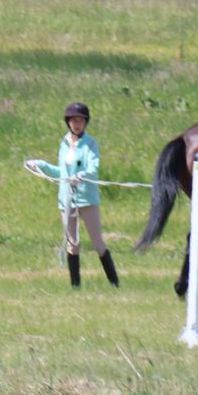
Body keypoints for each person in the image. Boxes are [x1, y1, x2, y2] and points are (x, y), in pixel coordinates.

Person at [31, 101, 119, 288]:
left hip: (87, 200)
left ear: (85, 123)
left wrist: (81, 175)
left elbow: (93, 168)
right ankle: (75, 286)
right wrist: (41, 166)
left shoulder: (90, 144)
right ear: (68, 122)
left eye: (81, 120)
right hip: (67, 201)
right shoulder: (63, 144)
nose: (77, 124)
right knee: (73, 243)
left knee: (97, 243)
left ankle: (114, 283)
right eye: (74, 120)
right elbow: (62, 172)